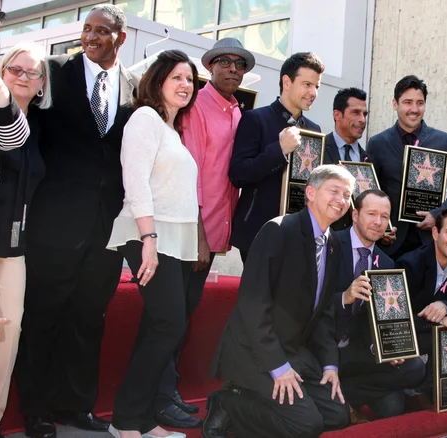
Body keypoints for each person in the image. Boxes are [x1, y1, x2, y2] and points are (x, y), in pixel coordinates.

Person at [15, 5, 139, 438]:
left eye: (102, 31)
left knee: (89, 320)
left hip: (106, 231)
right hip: (54, 224)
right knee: (43, 318)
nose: (91, 37)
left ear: (121, 38)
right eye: (87, 29)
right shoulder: (52, 71)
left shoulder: (133, 87)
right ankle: (36, 411)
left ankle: (76, 406)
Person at [203, 165, 355, 438]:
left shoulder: (333, 245)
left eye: (347, 194)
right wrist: (278, 367)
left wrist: (330, 365)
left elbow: (323, 314)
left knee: (338, 415)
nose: (341, 200)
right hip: (255, 349)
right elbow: (252, 305)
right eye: (334, 191)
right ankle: (228, 404)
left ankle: (257, 397)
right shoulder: (279, 230)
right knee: (307, 425)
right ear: (310, 192)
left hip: (294, 351)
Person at [153, 38, 255, 429]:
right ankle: (161, 397)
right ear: (209, 67)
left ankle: (169, 390)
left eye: (239, 64)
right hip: (187, 231)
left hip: (213, 233)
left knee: (183, 316)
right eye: (224, 62)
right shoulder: (196, 107)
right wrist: (198, 234)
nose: (232, 69)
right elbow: (190, 174)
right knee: (170, 319)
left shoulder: (237, 113)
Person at [105, 49, 199, 438]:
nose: (185, 85)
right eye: (177, 76)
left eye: (190, 79)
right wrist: (148, 238)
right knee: (168, 324)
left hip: (174, 237)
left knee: (159, 326)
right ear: (157, 80)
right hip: (148, 232)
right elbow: (136, 181)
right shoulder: (144, 118)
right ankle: (126, 421)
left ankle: (139, 421)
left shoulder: (173, 130)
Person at [333, 190, 425, 422]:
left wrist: (386, 347)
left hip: (360, 351)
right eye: (371, 214)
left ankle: (342, 393)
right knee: (392, 405)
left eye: (384, 216)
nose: (378, 222)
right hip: (326, 345)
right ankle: (335, 394)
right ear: (355, 215)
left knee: (413, 370)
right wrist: (344, 297)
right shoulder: (329, 245)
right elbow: (307, 302)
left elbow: (379, 319)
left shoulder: (386, 262)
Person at [228, 52, 324, 263]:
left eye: (317, 86)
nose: (313, 92)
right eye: (307, 84)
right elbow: (238, 174)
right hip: (258, 232)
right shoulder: (255, 119)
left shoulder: (314, 130)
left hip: (299, 234)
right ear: (287, 82)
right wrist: (279, 150)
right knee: (260, 296)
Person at [0, 41, 49, 438]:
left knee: (8, 335)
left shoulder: (38, 130)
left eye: (32, 72)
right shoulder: (6, 122)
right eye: (15, 68)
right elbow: (9, 137)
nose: (23, 76)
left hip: (14, 247)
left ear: (42, 84)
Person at [367, 75, 447, 260]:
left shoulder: (443, 141)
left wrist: (439, 215)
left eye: (420, 103)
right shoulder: (377, 143)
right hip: (390, 244)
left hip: (431, 242)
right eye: (408, 102)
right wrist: (382, 226)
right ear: (395, 103)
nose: (414, 109)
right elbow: (371, 190)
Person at [395, 205, 447, 355]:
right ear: (435, 233)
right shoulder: (409, 264)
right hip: (406, 334)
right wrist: (441, 320)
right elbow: (396, 320)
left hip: (432, 332)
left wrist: (445, 306)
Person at [323, 87, 370, 231]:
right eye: (356, 113)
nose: (362, 120)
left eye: (365, 114)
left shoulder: (369, 159)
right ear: (337, 115)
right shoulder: (319, 150)